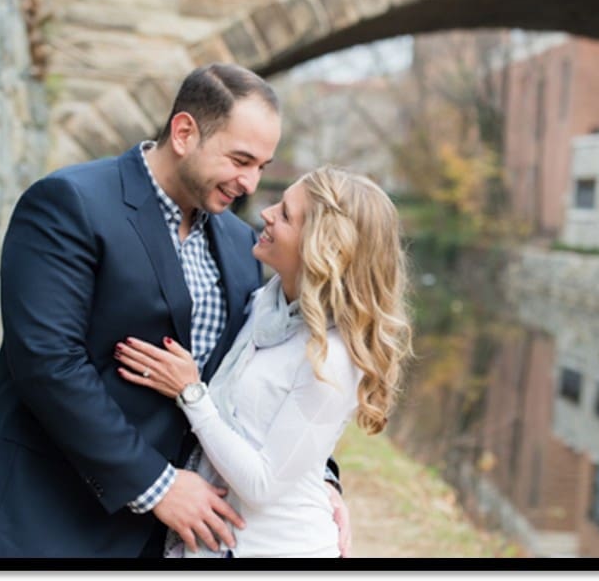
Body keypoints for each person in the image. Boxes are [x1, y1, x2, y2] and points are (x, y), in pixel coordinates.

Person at [0, 63, 348, 558]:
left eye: (262, 166)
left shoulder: (242, 244)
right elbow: (48, 364)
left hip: (161, 543)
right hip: (46, 518)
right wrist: (156, 484)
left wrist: (316, 476)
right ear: (183, 133)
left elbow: (263, 370)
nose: (250, 182)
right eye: (241, 159)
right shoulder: (69, 203)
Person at [114, 166, 414, 557]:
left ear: (322, 248)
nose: (267, 213)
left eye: (286, 215)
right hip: (213, 540)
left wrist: (191, 394)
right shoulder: (265, 304)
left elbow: (262, 483)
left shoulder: (332, 359)